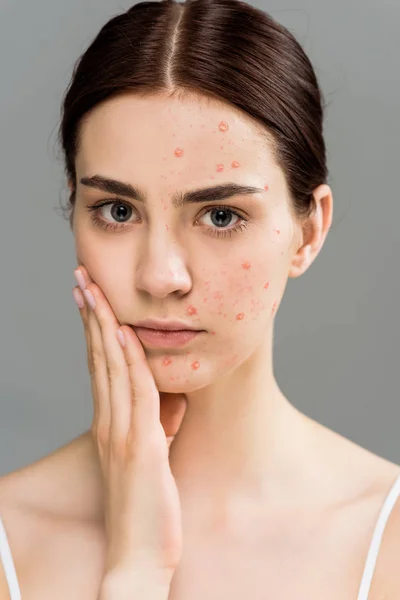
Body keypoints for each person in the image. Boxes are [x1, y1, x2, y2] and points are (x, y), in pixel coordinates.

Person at [1, 0, 400, 598]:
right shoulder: (10, 536)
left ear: (308, 232)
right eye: (117, 211)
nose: (161, 277)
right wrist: (135, 565)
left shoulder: (385, 539)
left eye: (220, 215)